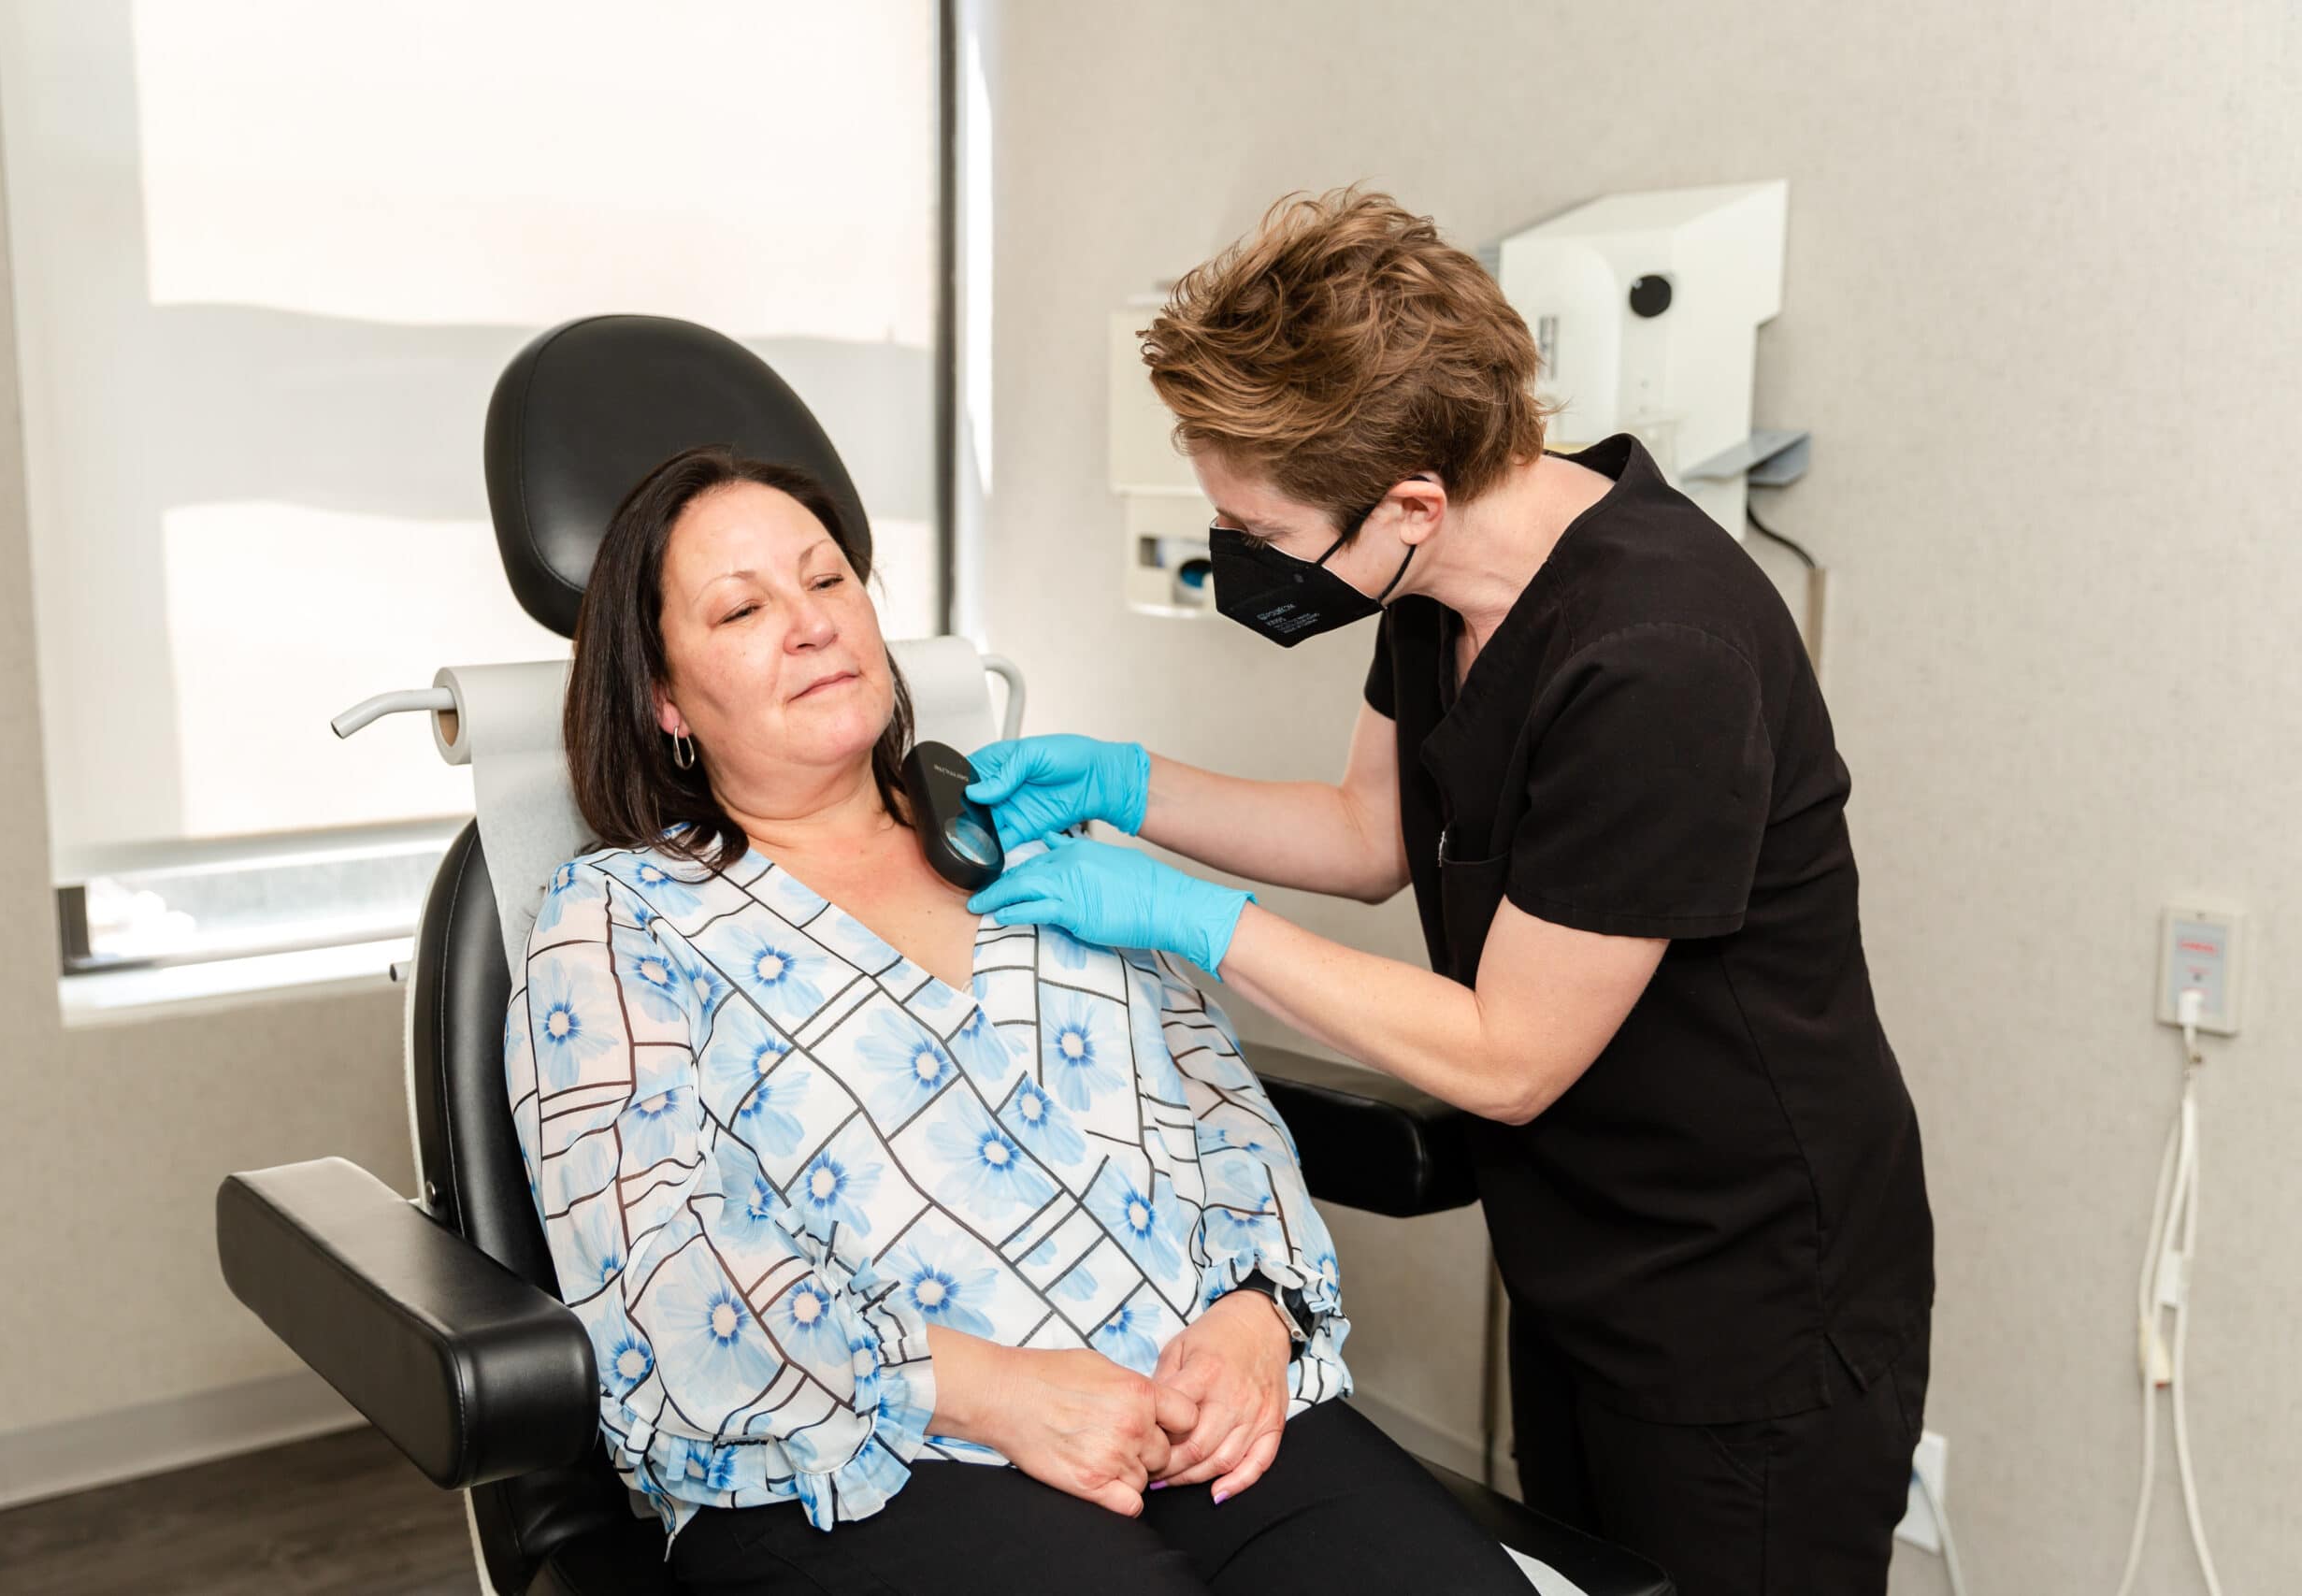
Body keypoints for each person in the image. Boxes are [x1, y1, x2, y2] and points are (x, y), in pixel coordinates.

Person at [964, 190, 1935, 1596]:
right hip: (1583, 1259)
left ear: (1412, 501)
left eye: (1259, 523)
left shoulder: (1658, 656)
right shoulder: (1440, 587)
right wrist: (1126, 781)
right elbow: (1372, 829)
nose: (1238, 551)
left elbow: (1512, 1056)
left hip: (1748, 1296)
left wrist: (1194, 917)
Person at [502, 446, 1540, 1594]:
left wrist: (1256, 1314)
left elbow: (1220, 1107)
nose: (809, 625)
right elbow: (660, 1275)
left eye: (829, 581)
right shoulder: (614, 922)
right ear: (661, 698)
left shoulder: (1022, 838)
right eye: (742, 608)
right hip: (868, 1446)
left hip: (1190, 1394)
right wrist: (996, 1391)